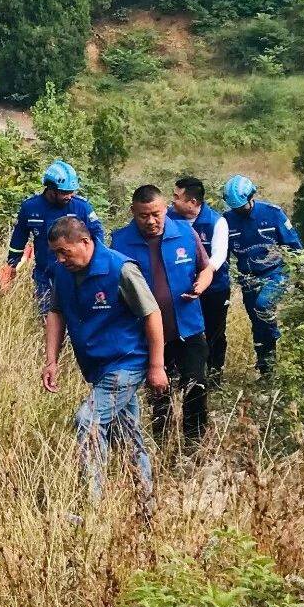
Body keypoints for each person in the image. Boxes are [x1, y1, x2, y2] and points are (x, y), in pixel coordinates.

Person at [40, 216, 167, 503]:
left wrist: (157, 366)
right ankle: (146, 502)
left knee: (87, 421)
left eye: (65, 252)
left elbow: (152, 314)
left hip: (126, 363)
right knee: (127, 432)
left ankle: (93, 504)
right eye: (56, 254)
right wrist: (51, 360)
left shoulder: (121, 269)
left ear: (85, 242)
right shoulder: (63, 272)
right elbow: (56, 313)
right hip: (97, 366)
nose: (60, 259)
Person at [112, 185, 213, 445]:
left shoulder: (185, 232)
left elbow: (206, 268)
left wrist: (201, 285)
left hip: (188, 327)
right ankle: (163, 444)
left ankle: (194, 445)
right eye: (143, 215)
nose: (151, 221)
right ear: (133, 212)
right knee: (159, 393)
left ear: (165, 208)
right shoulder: (120, 241)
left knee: (196, 387)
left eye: (156, 214)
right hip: (146, 334)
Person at [222, 174, 302, 375]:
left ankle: (275, 336)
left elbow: (294, 246)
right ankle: (267, 369)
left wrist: (300, 275)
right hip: (248, 278)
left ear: (251, 198)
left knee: (263, 305)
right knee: (257, 324)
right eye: (235, 208)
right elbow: (222, 256)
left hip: (275, 272)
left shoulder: (273, 214)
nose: (239, 211)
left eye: (242, 207)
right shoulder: (227, 221)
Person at [0, 160, 105, 307]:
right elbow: (19, 238)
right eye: (64, 192)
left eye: (71, 191)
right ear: (50, 189)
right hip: (44, 274)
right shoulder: (30, 207)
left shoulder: (81, 207)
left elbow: (97, 234)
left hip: (76, 274)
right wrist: (11, 265)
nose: (69, 196)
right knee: (46, 315)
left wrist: (96, 263)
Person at [169, 176, 231, 386]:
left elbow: (218, 256)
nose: (172, 200)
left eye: (177, 197)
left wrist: (203, 278)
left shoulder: (216, 221)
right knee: (182, 333)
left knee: (214, 332)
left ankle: (213, 376)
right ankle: (182, 375)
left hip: (214, 289)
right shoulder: (169, 219)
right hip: (181, 290)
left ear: (193, 202)